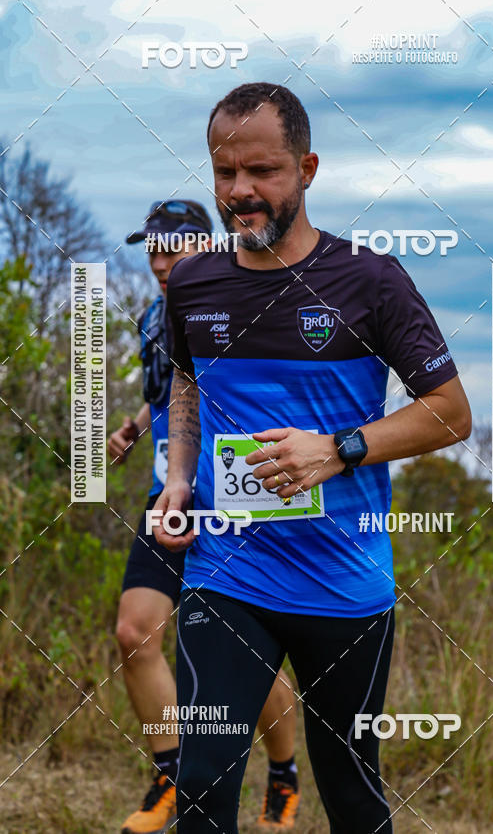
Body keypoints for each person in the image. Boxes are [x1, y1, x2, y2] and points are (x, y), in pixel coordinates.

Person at [153, 82, 472, 833]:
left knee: (353, 795)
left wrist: (338, 449)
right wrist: (175, 478)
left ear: (307, 168)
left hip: (344, 584)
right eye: (226, 173)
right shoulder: (195, 281)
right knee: (202, 782)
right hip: (227, 572)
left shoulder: (370, 281)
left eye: (263, 172)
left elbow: (450, 415)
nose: (242, 192)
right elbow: (186, 383)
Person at [109, 199, 299, 834]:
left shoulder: (249, 307)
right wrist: (135, 427)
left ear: (212, 247)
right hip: (173, 496)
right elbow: (165, 396)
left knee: (250, 656)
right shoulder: (150, 319)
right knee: (135, 633)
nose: (162, 265)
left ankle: (283, 774)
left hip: (240, 506)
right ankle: (170, 775)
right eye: (154, 252)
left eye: (176, 249)